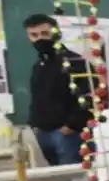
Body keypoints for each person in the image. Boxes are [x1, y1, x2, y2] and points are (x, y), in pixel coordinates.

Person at [24, 14, 94, 165]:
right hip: (43, 134)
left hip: (68, 135)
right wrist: (34, 124)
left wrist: (72, 125)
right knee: (58, 178)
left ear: (56, 33)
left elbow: (91, 95)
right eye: (34, 35)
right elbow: (37, 98)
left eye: (45, 33)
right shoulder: (38, 66)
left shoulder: (76, 62)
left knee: (75, 179)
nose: (39, 39)